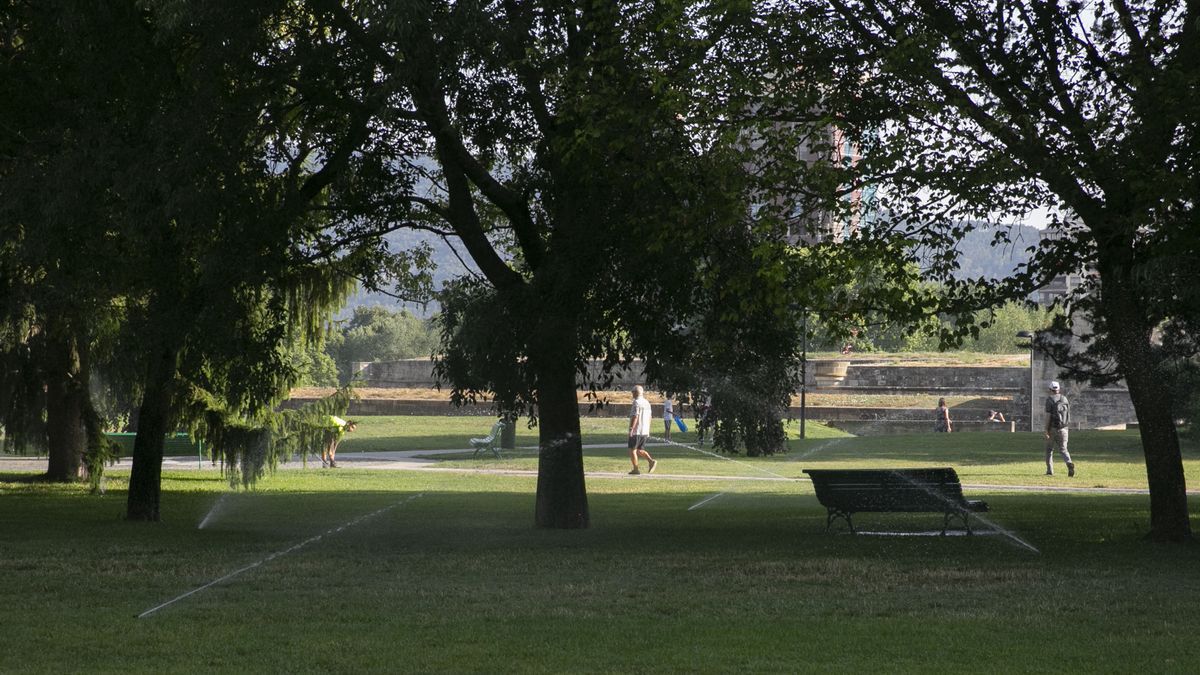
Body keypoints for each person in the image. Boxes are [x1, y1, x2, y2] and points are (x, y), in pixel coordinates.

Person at [1044, 381, 1075, 477]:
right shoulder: (1064, 399)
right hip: (1064, 428)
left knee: (1049, 449)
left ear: (1050, 390)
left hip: (1053, 428)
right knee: (1063, 449)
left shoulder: (1049, 400)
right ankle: (1069, 463)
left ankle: (1050, 471)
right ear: (1058, 389)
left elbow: (1048, 416)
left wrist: (1046, 429)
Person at [627, 385, 657, 475]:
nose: (632, 394)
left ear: (636, 392)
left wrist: (631, 429)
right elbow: (650, 417)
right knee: (640, 450)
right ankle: (651, 461)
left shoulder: (636, 402)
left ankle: (635, 469)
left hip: (637, 430)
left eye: (633, 392)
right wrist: (648, 429)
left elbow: (635, 416)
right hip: (644, 430)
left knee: (632, 450)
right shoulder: (647, 402)